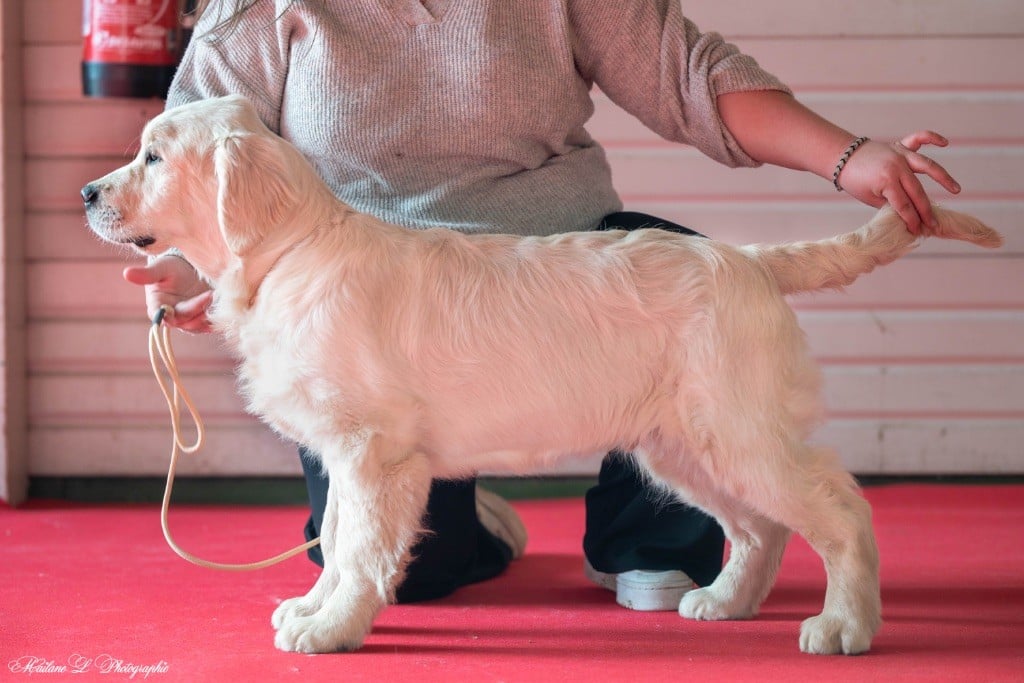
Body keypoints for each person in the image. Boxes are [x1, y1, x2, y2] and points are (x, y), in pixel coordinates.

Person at [123, 0, 960, 610]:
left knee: (687, 286)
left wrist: (845, 157)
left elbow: (688, 73)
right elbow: (189, 163)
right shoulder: (258, 8)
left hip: (558, 265)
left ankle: (651, 539)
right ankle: (468, 499)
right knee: (409, 568)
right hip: (363, 298)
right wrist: (190, 267)